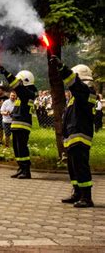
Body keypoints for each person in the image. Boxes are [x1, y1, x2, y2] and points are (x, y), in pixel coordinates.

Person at [50, 57, 96, 207]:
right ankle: (77, 192)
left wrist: (62, 68)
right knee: (73, 166)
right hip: (72, 136)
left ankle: (86, 197)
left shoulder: (86, 91)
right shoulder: (77, 96)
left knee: (81, 166)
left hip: (80, 136)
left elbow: (74, 83)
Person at [0, 67, 37, 179]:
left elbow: (18, 87)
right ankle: (21, 169)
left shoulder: (28, 93)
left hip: (23, 125)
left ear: (25, 81)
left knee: (22, 148)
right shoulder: (23, 94)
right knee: (17, 148)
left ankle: (26, 171)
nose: (18, 84)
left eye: (20, 81)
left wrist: (7, 74)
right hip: (16, 124)